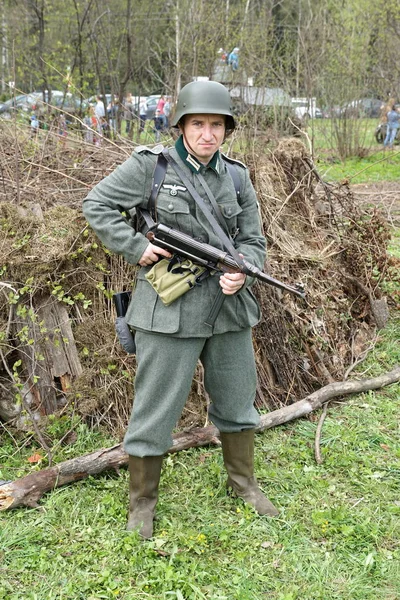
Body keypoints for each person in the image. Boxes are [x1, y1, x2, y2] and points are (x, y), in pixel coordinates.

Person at [82, 80, 278, 540]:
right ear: (183, 126)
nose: (207, 134)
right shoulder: (150, 167)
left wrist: (244, 270)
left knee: (236, 400)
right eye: (198, 124)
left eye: (216, 125)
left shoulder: (236, 176)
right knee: (155, 410)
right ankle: (142, 503)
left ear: (226, 129)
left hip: (228, 312)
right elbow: (97, 204)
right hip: (168, 309)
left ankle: (244, 484)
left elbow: (253, 239)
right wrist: (135, 247)